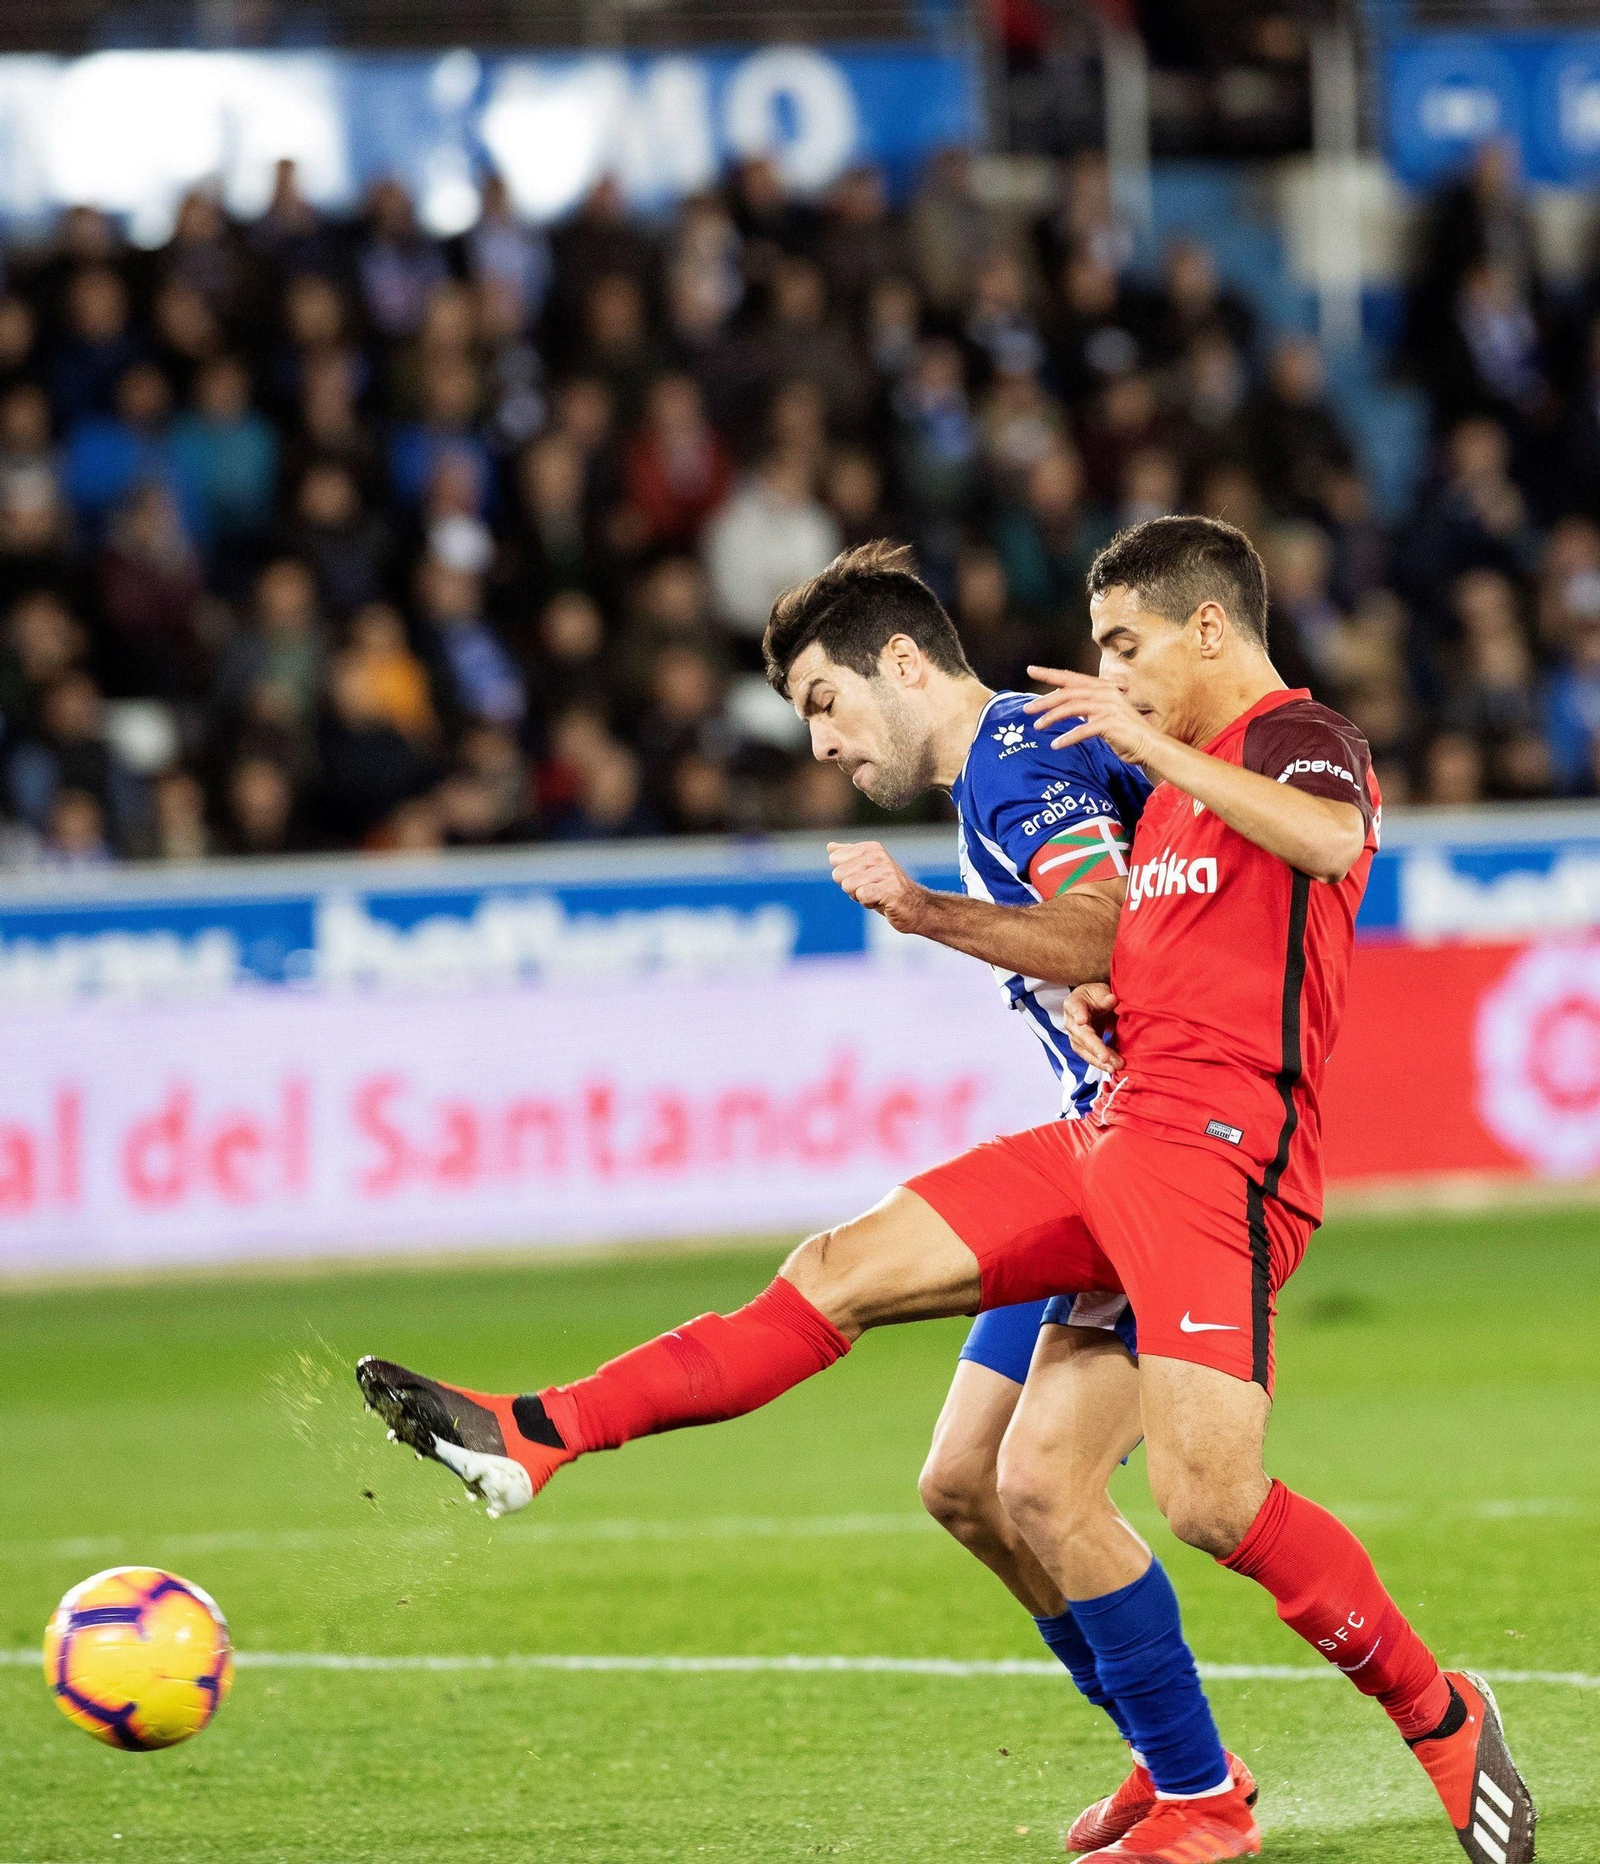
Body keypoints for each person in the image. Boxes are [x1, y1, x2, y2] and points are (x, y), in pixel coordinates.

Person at [357, 517, 1536, 1864]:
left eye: (821, 704)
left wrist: (941, 909)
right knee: (924, 1404)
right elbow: (1135, 929)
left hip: (1211, 1156)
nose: (818, 744)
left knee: (1170, 1498)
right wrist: (1123, 930)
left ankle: (1403, 1726)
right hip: (1116, 1135)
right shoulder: (1144, 767)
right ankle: (538, 1433)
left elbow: (1223, 880)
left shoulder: (1104, 756)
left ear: (900, 662)